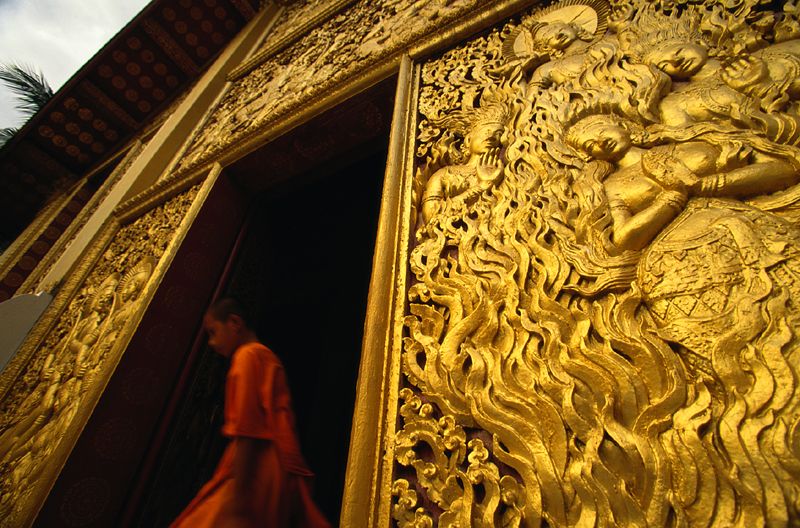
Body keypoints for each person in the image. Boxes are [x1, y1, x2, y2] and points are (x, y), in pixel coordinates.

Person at [171, 298, 330, 528]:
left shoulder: (247, 356)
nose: (211, 343)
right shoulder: (266, 356)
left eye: (213, 332)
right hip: (279, 465)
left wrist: (237, 503)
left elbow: (247, 429)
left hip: (257, 467)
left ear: (234, 323)